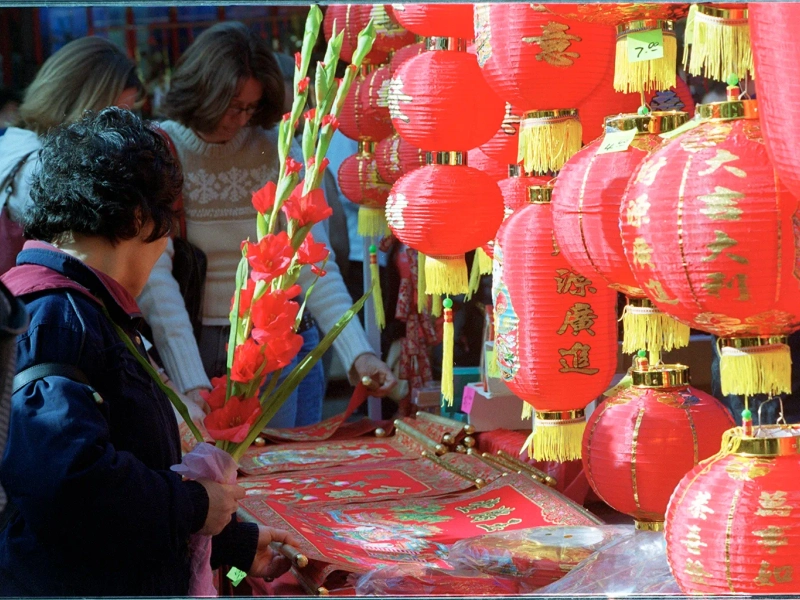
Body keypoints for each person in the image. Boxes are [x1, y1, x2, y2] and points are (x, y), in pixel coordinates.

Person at [0, 108, 300, 595]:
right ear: (140, 218)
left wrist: (235, 548)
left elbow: (124, 482)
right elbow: (68, 485)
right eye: (165, 231)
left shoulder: (83, 308)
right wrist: (195, 506)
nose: (166, 250)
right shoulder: (56, 315)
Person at [139, 22, 396, 428]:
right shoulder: (160, 153)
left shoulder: (274, 148)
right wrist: (188, 380)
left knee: (281, 474)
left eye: (250, 108)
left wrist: (356, 352)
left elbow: (313, 262)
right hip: (196, 340)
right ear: (200, 91)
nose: (239, 120)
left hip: (275, 340)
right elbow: (157, 282)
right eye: (230, 105)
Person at [0, 37, 142, 272]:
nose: (121, 131)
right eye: (112, 117)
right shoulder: (44, 168)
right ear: (81, 105)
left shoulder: (14, 145)